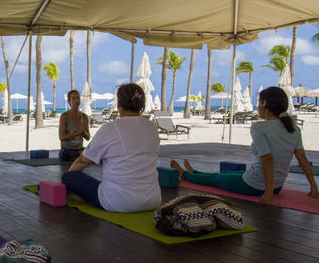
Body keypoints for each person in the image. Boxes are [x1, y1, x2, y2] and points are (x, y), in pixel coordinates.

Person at [170, 86, 318, 205]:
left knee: (216, 179)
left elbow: (267, 158)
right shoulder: (293, 128)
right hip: (277, 186)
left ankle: (186, 175)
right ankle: (195, 172)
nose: (258, 105)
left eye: (259, 102)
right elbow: (302, 159)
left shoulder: (259, 127)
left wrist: (268, 194)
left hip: (256, 185)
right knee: (225, 174)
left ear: (264, 103)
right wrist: (314, 187)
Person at [61, 83, 161, 212]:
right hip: (152, 200)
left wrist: (67, 182)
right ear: (141, 105)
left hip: (118, 202)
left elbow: (82, 161)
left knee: (68, 177)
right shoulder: (152, 127)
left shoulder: (110, 129)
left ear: (119, 104)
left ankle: (74, 195)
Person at [58, 89, 91, 161]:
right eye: (73, 98)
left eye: (78, 98)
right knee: (64, 154)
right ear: (69, 102)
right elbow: (61, 137)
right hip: (67, 150)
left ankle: (79, 156)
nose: (76, 100)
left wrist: (83, 132)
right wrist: (78, 132)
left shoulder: (84, 116)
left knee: (93, 150)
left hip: (80, 148)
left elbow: (88, 137)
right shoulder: (64, 116)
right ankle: (81, 155)